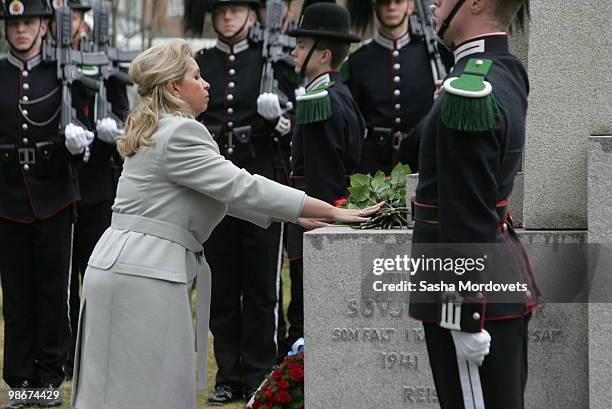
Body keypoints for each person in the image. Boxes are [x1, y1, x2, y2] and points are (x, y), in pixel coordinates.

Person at [69, 39, 382, 409]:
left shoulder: (156, 128)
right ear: (173, 87)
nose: (207, 84)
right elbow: (242, 186)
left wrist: (298, 213)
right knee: (149, 394)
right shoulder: (182, 132)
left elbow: (217, 194)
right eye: (197, 77)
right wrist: (331, 211)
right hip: (145, 273)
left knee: (112, 394)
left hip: (123, 265)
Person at [407, 1, 539, 408]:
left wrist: (466, 314)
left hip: (470, 292)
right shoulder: (502, 69)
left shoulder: (469, 90)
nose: (434, 4)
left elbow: (466, 213)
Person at [184, 0, 300, 403]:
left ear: (253, 13)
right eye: (220, 10)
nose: (228, 17)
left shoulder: (276, 59)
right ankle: (228, 374)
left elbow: (304, 108)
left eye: (236, 8)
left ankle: (259, 373)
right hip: (214, 186)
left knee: (261, 286)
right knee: (221, 284)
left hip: (261, 178)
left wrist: (286, 122)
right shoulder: (198, 63)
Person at [0, 0, 94, 408]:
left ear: (43, 26)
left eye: (29, 22)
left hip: (54, 192)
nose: (21, 30)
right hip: (7, 195)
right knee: (17, 292)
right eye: (13, 23)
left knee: (54, 288)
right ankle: (21, 380)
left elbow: (89, 122)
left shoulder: (64, 72)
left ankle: (49, 376)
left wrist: (81, 141)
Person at [47, 0, 131, 381]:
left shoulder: (103, 62)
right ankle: (62, 355)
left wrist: (112, 128)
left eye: (76, 17)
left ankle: (96, 351)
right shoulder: (45, 65)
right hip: (56, 184)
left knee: (95, 274)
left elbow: (122, 113)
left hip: (96, 183)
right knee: (59, 278)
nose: (71, 25)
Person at [284, 0, 365, 360]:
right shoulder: (338, 94)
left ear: (323, 54)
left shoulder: (321, 102)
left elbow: (321, 180)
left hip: (315, 229)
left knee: (308, 325)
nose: (294, 50)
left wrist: (309, 232)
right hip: (323, 226)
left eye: (302, 45)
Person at [344, 0, 436, 175]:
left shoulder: (430, 55)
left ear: (410, 6)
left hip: (421, 160)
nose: (391, 7)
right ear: (375, 7)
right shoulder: (358, 60)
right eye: (384, 2)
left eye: (398, 1)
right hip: (374, 165)